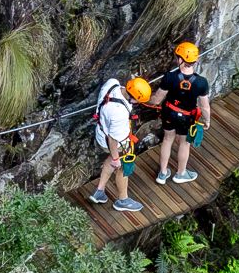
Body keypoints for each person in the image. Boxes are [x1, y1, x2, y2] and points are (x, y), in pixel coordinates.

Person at [154, 41, 210, 186]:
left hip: (169, 112)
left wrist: (143, 98)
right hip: (187, 116)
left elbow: (157, 99)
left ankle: (163, 173)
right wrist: (207, 120)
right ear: (195, 61)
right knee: (184, 143)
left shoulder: (169, 77)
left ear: (180, 59)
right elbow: (204, 106)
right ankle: (181, 173)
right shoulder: (201, 82)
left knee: (167, 140)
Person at [90, 77, 148, 212]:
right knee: (123, 166)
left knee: (111, 159)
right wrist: (117, 159)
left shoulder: (112, 83)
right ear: (133, 98)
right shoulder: (119, 114)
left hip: (101, 131)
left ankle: (99, 191)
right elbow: (113, 140)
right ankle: (122, 200)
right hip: (114, 141)